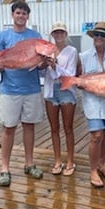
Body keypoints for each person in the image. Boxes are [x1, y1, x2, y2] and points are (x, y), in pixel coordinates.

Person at [0, 0, 45, 187]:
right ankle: (4, 168)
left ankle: (29, 164)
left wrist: (44, 63)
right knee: (8, 128)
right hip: (9, 90)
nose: (21, 16)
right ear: (12, 15)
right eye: (18, 13)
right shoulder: (3, 37)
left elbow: (40, 65)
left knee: (29, 126)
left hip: (31, 89)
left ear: (28, 16)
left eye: (24, 13)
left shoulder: (36, 36)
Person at [79, 22, 105, 188]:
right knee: (96, 136)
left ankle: (102, 163)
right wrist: (85, 83)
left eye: (103, 35)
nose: (99, 38)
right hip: (93, 103)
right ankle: (93, 170)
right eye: (97, 35)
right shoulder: (83, 56)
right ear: (92, 37)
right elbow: (79, 79)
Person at [43, 22, 78, 176]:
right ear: (52, 34)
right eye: (56, 32)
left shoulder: (72, 51)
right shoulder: (46, 50)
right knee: (54, 128)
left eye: (61, 32)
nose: (58, 35)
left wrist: (54, 66)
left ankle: (70, 160)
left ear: (66, 34)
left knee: (68, 128)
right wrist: (43, 65)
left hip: (66, 90)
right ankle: (58, 160)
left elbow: (70, 74)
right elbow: (42, 73)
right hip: (51, 91)